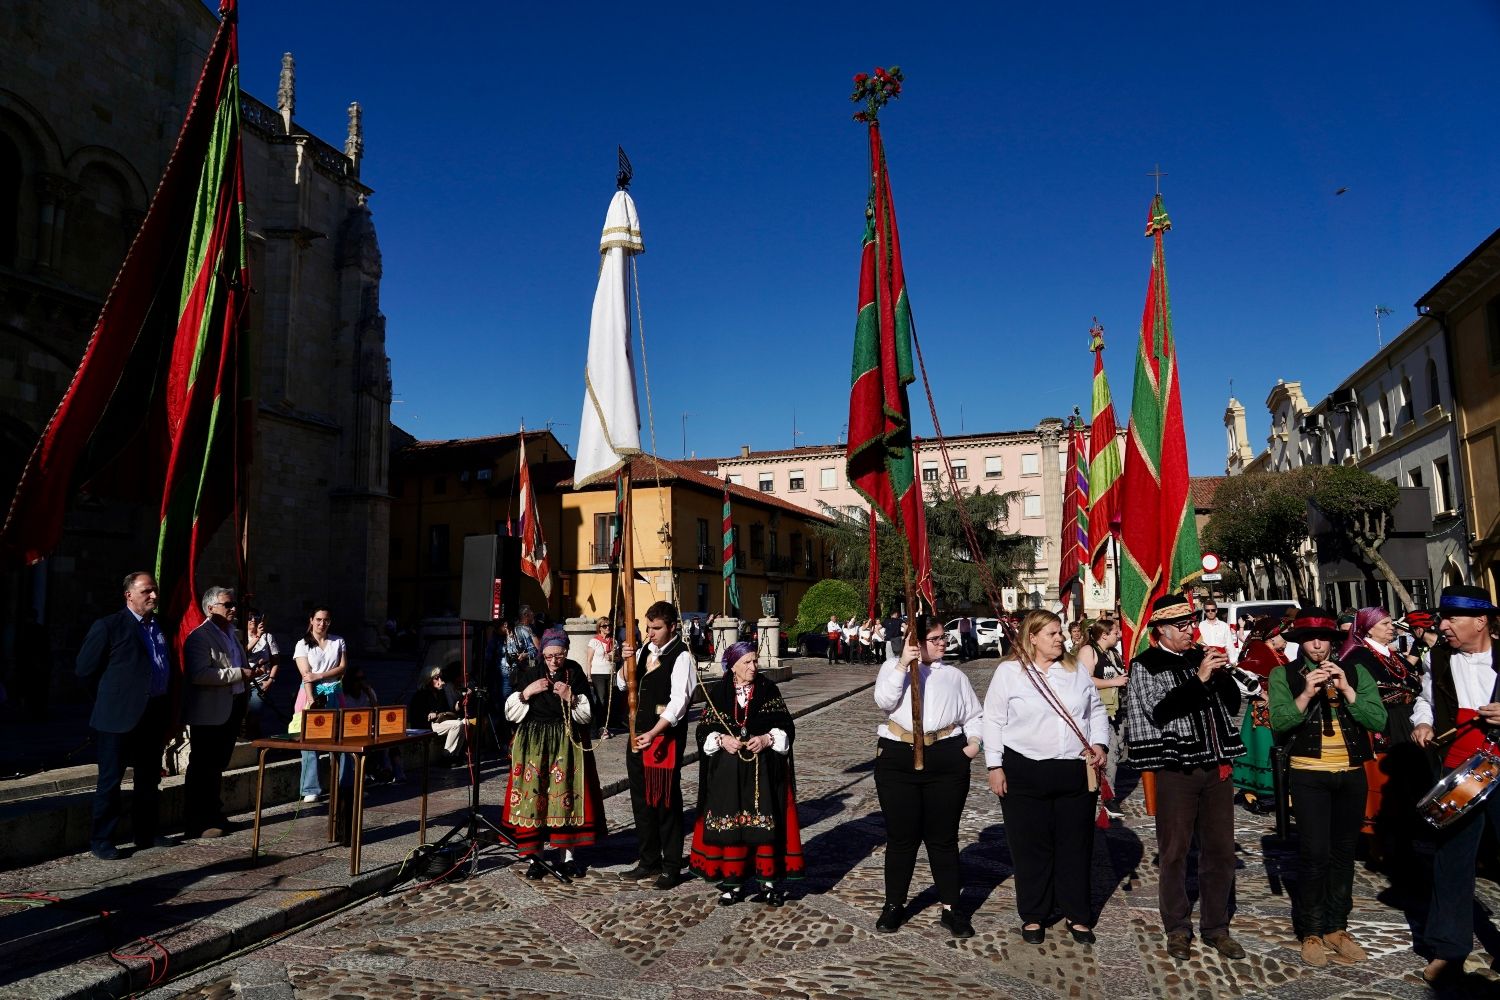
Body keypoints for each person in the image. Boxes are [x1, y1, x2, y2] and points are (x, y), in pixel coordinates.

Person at [1121, 593, 1247, 962]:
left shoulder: (1198, 656)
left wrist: (1223, 676)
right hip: (1176, 769)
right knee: (1175, 851)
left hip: (1216, 766)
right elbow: (1160, 709)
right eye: (1182, 625)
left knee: (1220, 850)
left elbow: (1231, 704)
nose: (1191, 630)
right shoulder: (1145, 664)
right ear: (1161, 630)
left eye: (1192, 623)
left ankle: (1216, 927)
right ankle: (1177, 927)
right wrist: (1201, 677)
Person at [1268, 607, 1386, 967]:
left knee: (1343, 852)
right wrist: (1305, 693)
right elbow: (1280, 723)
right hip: (1308, 773)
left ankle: (1338, 926)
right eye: (1309, 640)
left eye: (1324, 639)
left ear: (1335, 643)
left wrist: (1347, 689)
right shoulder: (1282, 674)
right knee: (1314, 852)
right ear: (1300, 643)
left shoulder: (1356, 671)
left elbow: (1377, 718)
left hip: (1350, 773)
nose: (1317, 646)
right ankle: (1312, 930)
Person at [984, 610, 1108, 944]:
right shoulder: (1010, 673)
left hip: (1073, 771)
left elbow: (1095, 710)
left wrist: (1099, 743)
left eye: (1060, 633)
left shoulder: (1075, 671)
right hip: (1024, 769)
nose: (1060, 639)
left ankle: (1077, 913)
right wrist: (994, 765)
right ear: (1032, 637)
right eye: (1052, 633)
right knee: (1030, 847)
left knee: (1075, 844)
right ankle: (1034, 914)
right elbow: (993, 720)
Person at [1409, 585, 1500, 987]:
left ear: (1480, 621)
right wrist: (1423, 721)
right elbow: (1425, 700)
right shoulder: (1439, 657)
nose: (1442, 626)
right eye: (1442, 619)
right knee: (1452, 861)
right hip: (1460, 770)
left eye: (1451, 619)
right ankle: (1449, 950)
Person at [872, 614, 983, 939]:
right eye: (935, 639)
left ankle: (952, 908)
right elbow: (884, 701)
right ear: (917, 642)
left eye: (943, 638)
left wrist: (973, 745)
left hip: (946, 755)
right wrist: (903, 664)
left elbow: (974, 715)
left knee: (943, 838)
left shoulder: (955, 676)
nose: (943, 643)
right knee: (902, 838)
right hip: (898, 756)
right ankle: (894, 905)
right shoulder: (894, 668)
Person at [689, 641, 803, 904]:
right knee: (732, 826)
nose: (754, 667)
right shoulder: (718, 693)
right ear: (732, 668)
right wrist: (720, 740)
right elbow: (703, 731)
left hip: (763, 773)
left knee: (764, 824)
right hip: (728, 774)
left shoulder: (768, 690)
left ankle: (768, 883)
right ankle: (733, 883)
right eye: (747, 663)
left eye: (755, 661)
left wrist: (767, 739)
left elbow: (786, 727)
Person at [75, 572, 175, 860]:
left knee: (148, 778)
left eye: (155, 590)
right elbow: (84, 671)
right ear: (129, 595)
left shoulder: (161, 626)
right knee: (110, 779)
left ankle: (146, 833)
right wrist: (111, 699)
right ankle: (103, 839)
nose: (153, 596)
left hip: (152, 713)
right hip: (117, 717)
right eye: (146, 591)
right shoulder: (109, 626)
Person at [503, 628, 605, 878]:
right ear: (542, 654)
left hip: (565, 742)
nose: (553, 661)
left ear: (566, 652)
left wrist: (571, 697)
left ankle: (567, 857)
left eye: (558, 655)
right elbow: (510, 712)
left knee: (564, 797)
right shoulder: (531, 672)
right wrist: (528, 692)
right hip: (534, 744)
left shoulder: (575, 673)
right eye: (548, 656)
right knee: (532, 799)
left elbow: (587, 714)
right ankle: (534, 858)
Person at [617, 601, 695, 889]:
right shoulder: (642, 651)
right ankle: (648, 860)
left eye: (657, 628)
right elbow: (623, 685)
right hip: (637, 737)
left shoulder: (682, 656)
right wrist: (626, 664)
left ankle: (672, 865)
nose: (650, 633)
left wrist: (654, 732)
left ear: (672, 627)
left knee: (665, 801)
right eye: (648, 627)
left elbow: (680, 702)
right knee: (641, 801)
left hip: (663, 739)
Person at [182, 586, 256, 839]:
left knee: (217, 766)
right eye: (228, 605)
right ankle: (196, 821)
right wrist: (238, 674)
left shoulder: (231, 634)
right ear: (210, 608)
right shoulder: (200, 637)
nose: (233, 609)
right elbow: (199, 674)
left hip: (231, 707)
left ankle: (215, 814)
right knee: (203, 766)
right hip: (210, 712)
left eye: (233, 604)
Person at [1231, 618, 1287, 812]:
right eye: (1281, 634)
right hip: (1262, 713)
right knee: (1263, 750)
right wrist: (1258, 692)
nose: (1284, 638)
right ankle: (1258, 793)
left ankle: (1282, 793)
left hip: (1281, 710)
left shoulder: (1279, 655)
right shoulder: (1261, 654)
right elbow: (1238, 675)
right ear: (1271, 638)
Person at [292, 607, 347, 801]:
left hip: (334, 692)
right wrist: (312, 702)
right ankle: (310, 789)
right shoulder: (302, 644)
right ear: (312, 620)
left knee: (341, 739)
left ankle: (344, 784)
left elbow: (342, 667)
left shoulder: (338, 641)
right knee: (309, 742)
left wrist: (321, 675)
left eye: (326, 620)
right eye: (318, 619)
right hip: (311, 694)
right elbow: (306, 675)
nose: (322, 623)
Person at [1076, 618, 1128, 816]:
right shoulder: (1089, 651)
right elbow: (1084, 680)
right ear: (1104, 634)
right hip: (1098, 711)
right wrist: (1114, 681)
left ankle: (1104, 791)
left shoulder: (1114, 653)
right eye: (1115, 632)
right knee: (1108, 753)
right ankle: (1108, 797)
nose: (1119, 635)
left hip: (1116, 709)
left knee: (1116, 751)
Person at [408, 665, 468, 765]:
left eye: (440, 677)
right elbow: (417, 715)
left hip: (440, 722)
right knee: (457, 725)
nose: (440, 680)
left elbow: (447, 710)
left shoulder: (440, 693)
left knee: (465, 722)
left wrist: (459, 703)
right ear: (428, 680)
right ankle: (446, 756)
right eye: (436, 678)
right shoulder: (421, 694)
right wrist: (430, 714)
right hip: (427, 725)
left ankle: (454, 755)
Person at [243, 609, 285, 739]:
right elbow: (243, 652)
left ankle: (256, 747)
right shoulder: (240, 636)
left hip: (260, 683)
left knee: (254, 717)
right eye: (249, 617)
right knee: (242, 719)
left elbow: (276, 661)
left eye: (256, 617)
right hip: (242, 683)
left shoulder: (268, 637)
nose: (253, 620)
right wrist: (257, 637)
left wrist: (270, 680)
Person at [587, 616, 615, 740]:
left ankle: (606, 726)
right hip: (597, 673)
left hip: (610, 672)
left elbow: (618, 658)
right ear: (600, 628)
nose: (608, 627)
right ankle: (600, 728)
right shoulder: (594, 641)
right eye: (604, 626)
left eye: (609, 625)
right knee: (601, 700)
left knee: (609, 701)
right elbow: (589, 659)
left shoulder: (613, 641)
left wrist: (614, 657)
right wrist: (588, 675)